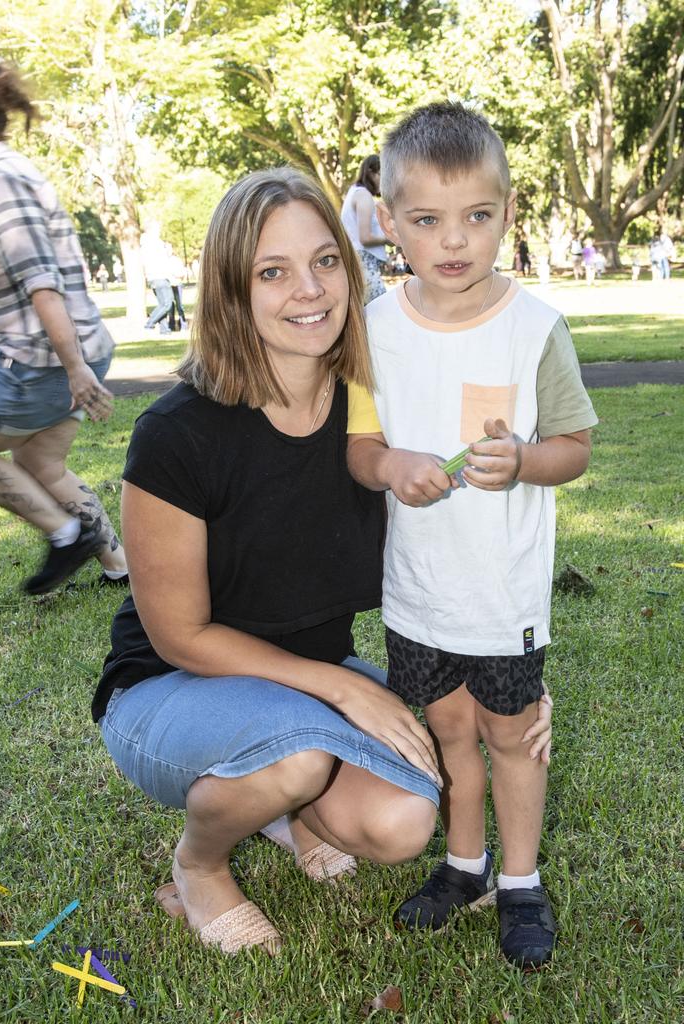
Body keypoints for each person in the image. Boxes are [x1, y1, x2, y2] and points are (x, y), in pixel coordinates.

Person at [91, 168, 556, 957]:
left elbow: (454, 541)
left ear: (351, 262)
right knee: (299, 752)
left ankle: (293, 807)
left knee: (405, 818)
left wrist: (513, 661)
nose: (309, 290)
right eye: (272, 272)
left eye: (325, 262)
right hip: (167, 691)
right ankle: (200, 865)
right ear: (233, 290)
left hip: (297, 682)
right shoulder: (177, 434)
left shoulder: (370, 416)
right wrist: (342, 685)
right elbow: (179, 636)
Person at [347, 102, 595, 969]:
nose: (454, 241)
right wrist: (388, 467)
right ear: (390, 224)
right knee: (451, 731)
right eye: (426, 219)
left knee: (510, 736)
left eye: (477, 217)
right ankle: (465, 863)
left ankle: (520, 880)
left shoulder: (535, 329)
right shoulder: (372, 331)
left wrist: (526, 461)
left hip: (502, 597)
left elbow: (575, 448)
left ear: (508, 213)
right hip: (416, 591)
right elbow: (359, 447)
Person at [0, 66, 128, 594]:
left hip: (36, 361)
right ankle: (118, 565)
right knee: (40, 459)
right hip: (67, 353)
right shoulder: (3, 174)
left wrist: (76, 371)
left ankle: (65, 535)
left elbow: (42, 284)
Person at [340, 154, 389, 304]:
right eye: (383, 175)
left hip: (357, 260)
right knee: (381, 309)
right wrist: (391, 239)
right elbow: (365, 238)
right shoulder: (363, 196)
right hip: (364, 262)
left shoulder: (353, 193)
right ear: (371, 173)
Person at [140, 222, 175, 335]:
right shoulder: (154, 243)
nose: (159, 231)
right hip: (160, 275)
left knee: (162, 303)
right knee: (167, 303)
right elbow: (162, 260)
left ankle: (164, 329)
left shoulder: (145, 244)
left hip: (154, 277)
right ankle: (150, 323)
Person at [166, 247, 187, 332]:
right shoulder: (164, 261)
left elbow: (182, 273)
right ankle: (171, 325)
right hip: (168, 286)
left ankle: (183, 324)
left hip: (177, 284)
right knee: (170, 307)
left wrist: (175, 274)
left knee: (179, 306)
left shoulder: (176, 260)